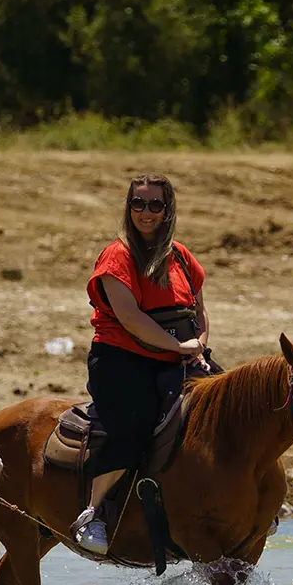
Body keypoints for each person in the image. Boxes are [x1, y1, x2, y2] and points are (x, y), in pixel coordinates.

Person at [71, 174, 211, 555]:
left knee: (232, 410)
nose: (146, 212)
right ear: (128, 207)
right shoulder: (117, 255)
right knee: (135, 428)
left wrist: (198, 343)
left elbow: (198, 308)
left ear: (168, 210)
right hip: (122, 359)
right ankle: (94, 513)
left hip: (180, 355)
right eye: (138, 204)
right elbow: (130, 317)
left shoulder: (180, 255)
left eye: (155, 205)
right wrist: (176, 346)